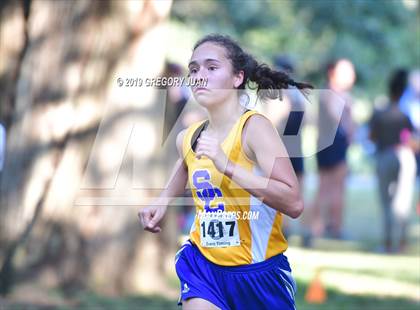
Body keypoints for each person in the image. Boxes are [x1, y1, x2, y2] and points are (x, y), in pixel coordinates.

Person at [138, 34, 312, 309]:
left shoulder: (255, 129)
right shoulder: (189, 136)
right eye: (193, 69)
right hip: (203, 265)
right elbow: (186, 164)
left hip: (259, 273)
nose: (199, 76)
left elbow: (293, 202)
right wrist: (161, 201)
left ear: (237, 78)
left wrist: (228, 166)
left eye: (211, 67)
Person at [369, 69, 417, 253]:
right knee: (403, 200)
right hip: (405, 156)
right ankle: (402, 242)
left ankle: (388, 243)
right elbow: (410, 139)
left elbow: (372, 137)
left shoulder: (380, 112)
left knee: (386, 201)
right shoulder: (405, 115)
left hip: (385, 156)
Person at [311, 59, 356, 239]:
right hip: (334, 144)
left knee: (327, 187)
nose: (351, 76)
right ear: (333, 72)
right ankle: (332, 227)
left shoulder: (328, 93)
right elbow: (341, 121)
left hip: (328, 144)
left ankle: (325, 226)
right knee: (333, 187)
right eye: (346, 72)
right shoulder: (332, 94)